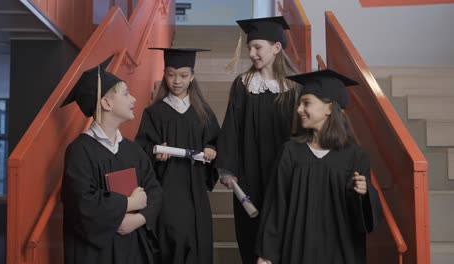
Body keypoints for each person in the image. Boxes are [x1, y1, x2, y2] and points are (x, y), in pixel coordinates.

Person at [256, 69, 383, 264]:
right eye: (299, 103)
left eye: (306, 103)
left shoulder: (355, 156)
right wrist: (267, 254)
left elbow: (362, 221)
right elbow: (277, 205)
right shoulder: (290, 152)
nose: (299, 109)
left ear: (329, 108)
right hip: (297, 250)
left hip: (340, 253)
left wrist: (365, 194)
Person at [60, 56, 163, 264]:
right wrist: (129, 203)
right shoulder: (80, 151)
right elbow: (82, 204)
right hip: (96, 255)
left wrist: (138, 219)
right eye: (126, 94)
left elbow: (154, 191)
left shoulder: (133, 151)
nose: (134, 100)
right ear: (106, 103)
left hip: (133, 249)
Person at [215, 16, 300, 264]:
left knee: (285, 231)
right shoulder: (243, 85)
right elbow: (231, 128)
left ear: (276, 48)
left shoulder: (295, 88)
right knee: (250, 233)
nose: (251, 53)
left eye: (257, 47)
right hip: (249, 175)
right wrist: (228, 169)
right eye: (249, 48)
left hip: (285, 174)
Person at [135, 48, 220, 264]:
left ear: (192, 76)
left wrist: (211, 150)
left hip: (195, 190)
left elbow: (216, 143)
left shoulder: (203, 112)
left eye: (183, 75)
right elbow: (141, 149)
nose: (176, 81)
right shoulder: (154, 113)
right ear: (164, 74)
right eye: (171, 74)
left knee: (196, 240)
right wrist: (155, 152)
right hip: (167, 187)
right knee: (170, 239)